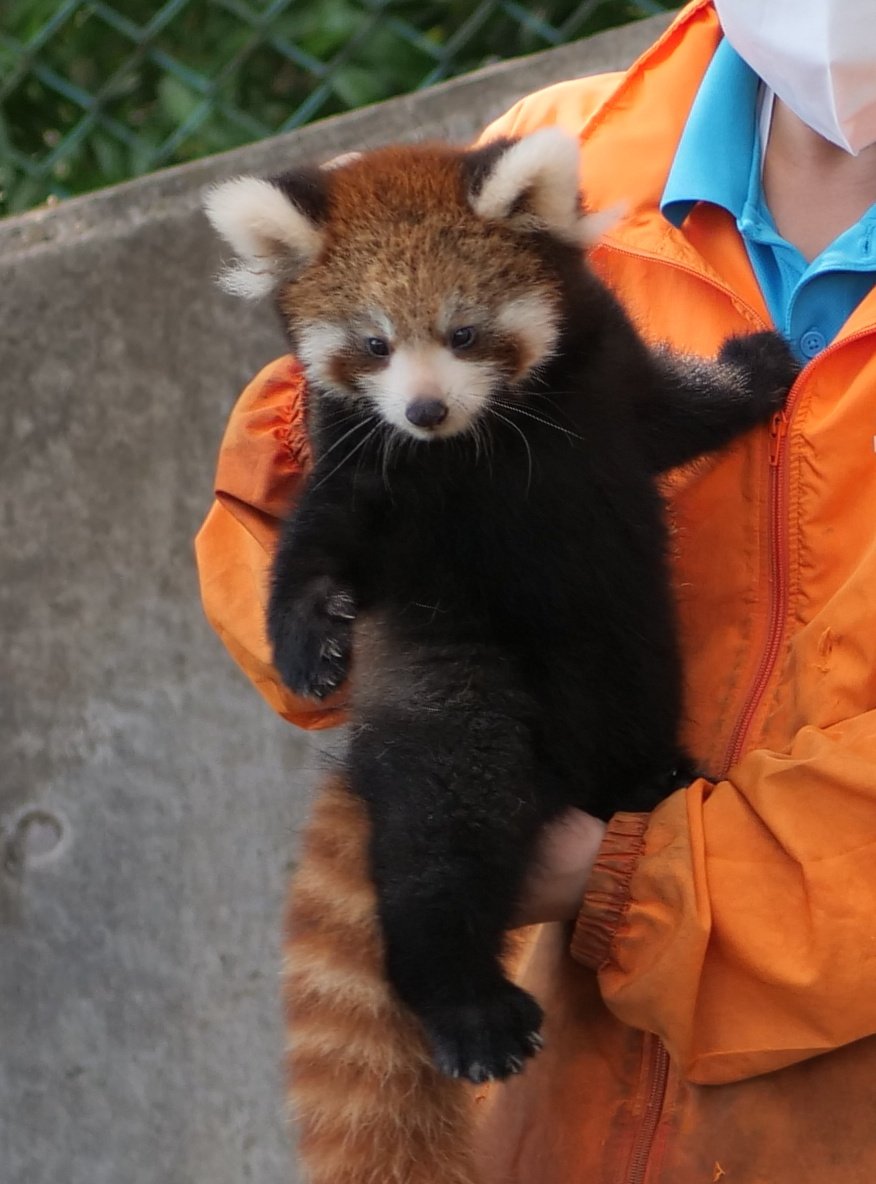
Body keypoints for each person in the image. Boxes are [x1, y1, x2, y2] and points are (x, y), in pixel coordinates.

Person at [195, 0, 876, 1178]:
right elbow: (300, 567)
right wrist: (344, 588)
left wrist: (616, 871)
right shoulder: (550, 153)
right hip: (561, 1104)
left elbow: (652, 407)